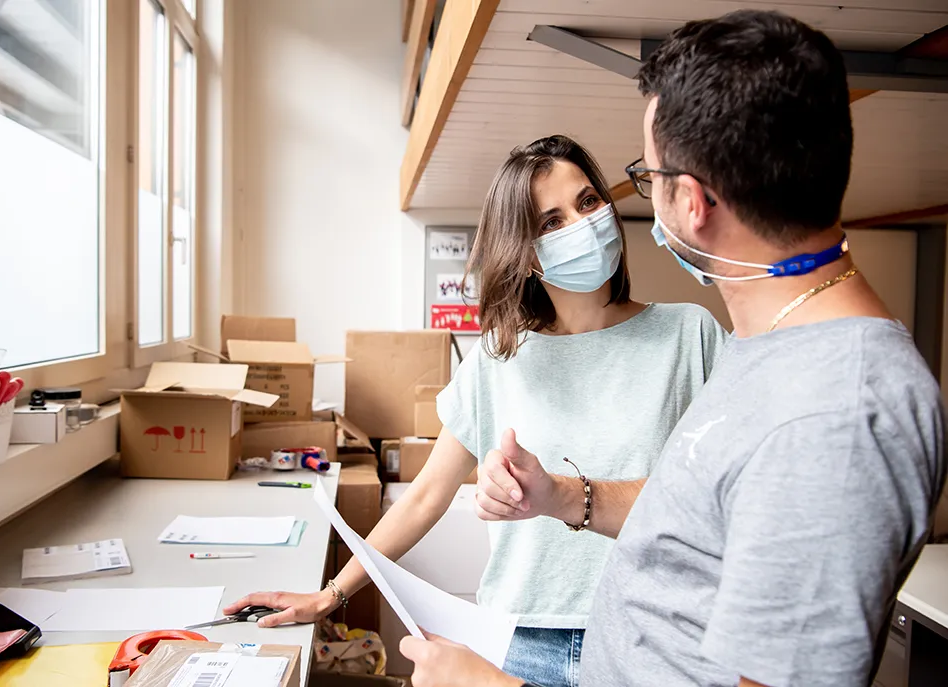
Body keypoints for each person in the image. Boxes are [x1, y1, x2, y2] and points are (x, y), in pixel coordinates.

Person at [400, 10, 946, 687]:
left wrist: (493, 686)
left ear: (691, 201)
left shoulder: (833, 418)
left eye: (645, 175)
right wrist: (563, 495)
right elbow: (705, 521)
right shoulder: (775, 353)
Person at [225, 134, 727, 687]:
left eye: (588, 202)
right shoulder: (497, 357)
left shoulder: (690, 335)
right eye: (551, 222)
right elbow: (423, 498)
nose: (582, 225)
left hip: (649, 638)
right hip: (516, 642)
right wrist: (331, 594)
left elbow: (714, 501)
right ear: (526, 253)